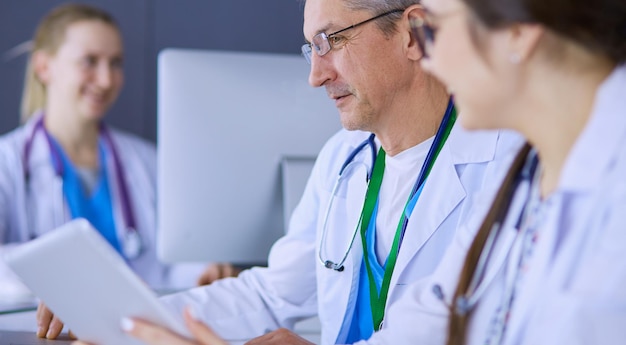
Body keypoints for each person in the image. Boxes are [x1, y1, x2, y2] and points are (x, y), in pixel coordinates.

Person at [70, 0, 523, 344]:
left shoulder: (507, 165)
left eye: (331, 41)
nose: (315, 75)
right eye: (311, 48)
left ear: (413, 34)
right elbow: (271, 295)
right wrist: (116, 322)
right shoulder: (342, 159)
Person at [0, 3, 240, 339]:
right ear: (44, 66)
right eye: (90, 61)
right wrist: (62, 275)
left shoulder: (146, 160)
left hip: (135, 334)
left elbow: (163, 265)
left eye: (115, 63)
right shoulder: (8, 161)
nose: (106, 79)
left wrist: (199, 272)